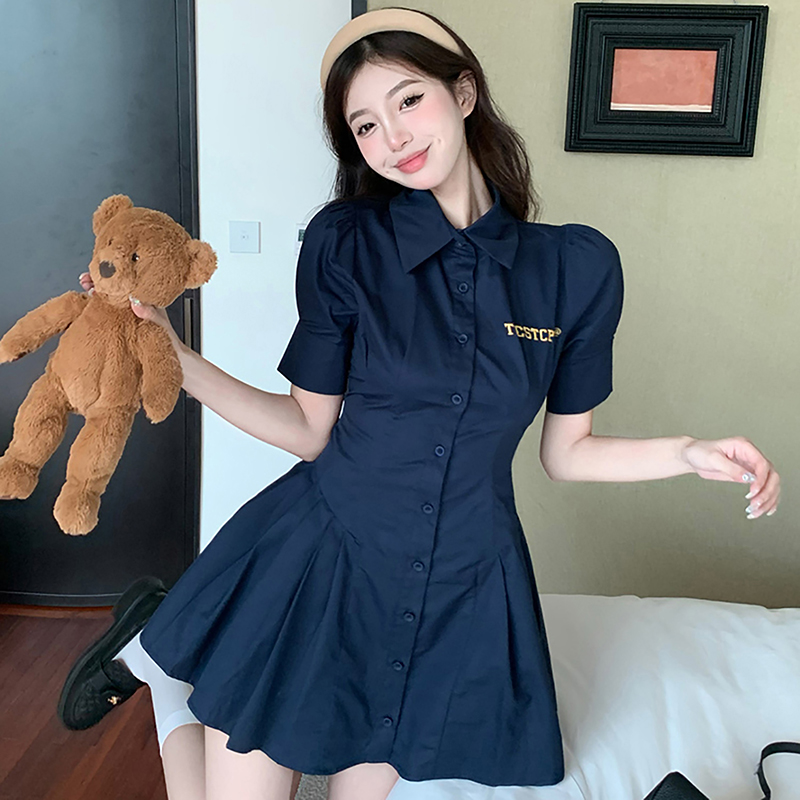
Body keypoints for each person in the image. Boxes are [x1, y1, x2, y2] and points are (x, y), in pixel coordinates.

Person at [57, 7, 782, 800]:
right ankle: (165, 682)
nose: (393, 136)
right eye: (365, 125)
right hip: (321, 558)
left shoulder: (574, 270)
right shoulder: (346, 244)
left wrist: (687, 453)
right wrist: (174, 356)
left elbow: (566, 452)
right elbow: (307, 428)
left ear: (463, 93)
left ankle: (158, 662)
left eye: (409, 100)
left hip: (458, 587)